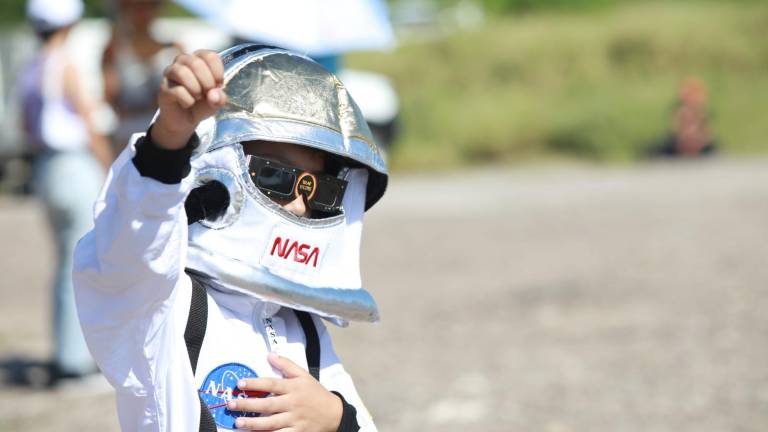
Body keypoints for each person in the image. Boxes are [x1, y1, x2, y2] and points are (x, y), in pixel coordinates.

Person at [74, 45, 387, 431]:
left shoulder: (302, 324)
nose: (301, 205)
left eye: (321, 189)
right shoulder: (161, 305)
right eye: (276, 177)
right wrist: (169, 140)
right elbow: (131, 244)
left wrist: (338, 418)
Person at [18, 0, 113, 385]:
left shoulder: (29, 68)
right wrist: (111, 169)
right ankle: (76, 362)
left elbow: (23, 125)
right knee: (82, 262)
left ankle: (66, 353)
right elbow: (90, 123)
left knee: (63, 262)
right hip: (74, 166)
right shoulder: (66, 64)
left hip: (45, 167)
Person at [102, 0, 182, 154]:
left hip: (168, 137)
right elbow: (110, 96)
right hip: (128, 138)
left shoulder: (174, 49)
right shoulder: (114, 50)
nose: (142, 12)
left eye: (148, 5)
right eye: (136, 6)